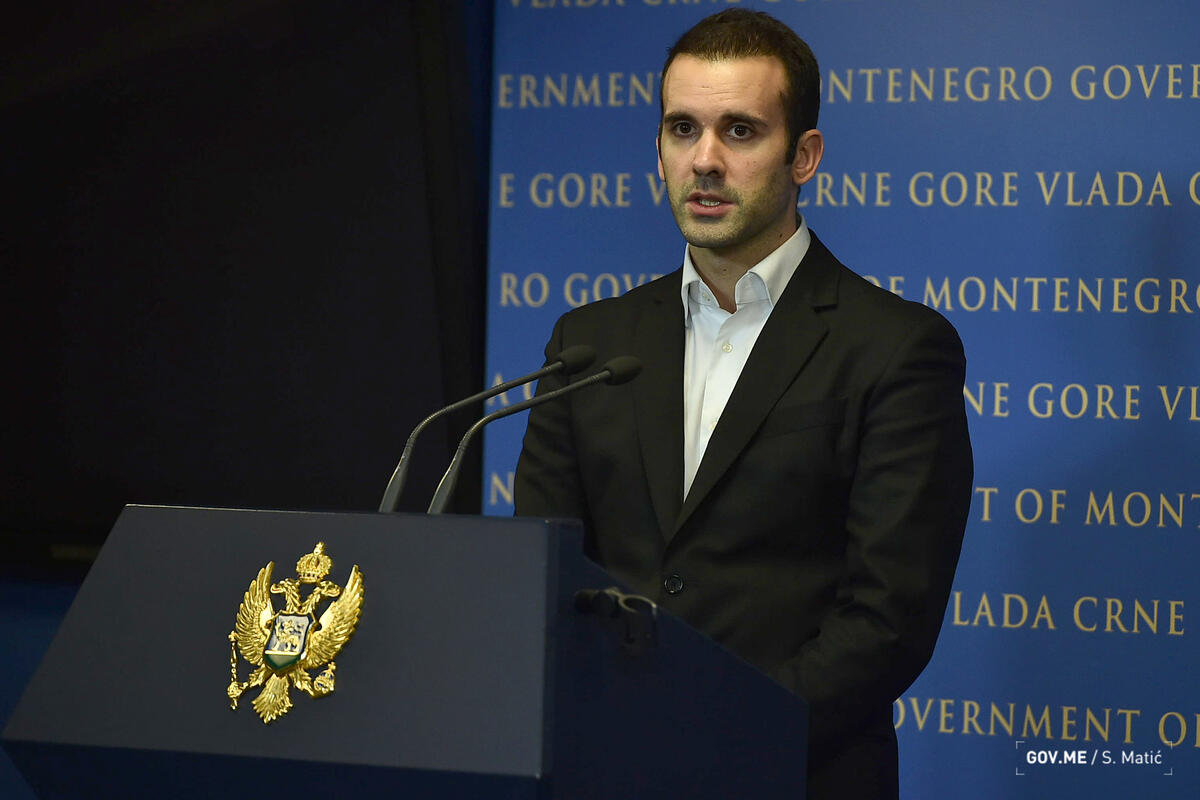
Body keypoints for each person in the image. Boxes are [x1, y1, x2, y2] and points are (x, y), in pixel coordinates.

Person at [514, 9, 972, 799]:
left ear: (804, 156)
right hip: (600, 772)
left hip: (791, 773)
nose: (705, 160)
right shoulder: (588, 343)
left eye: (740, 131)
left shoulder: (896, 348)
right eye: (683, 129)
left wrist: (710, 739)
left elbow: (886, 622)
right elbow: (543, 574)